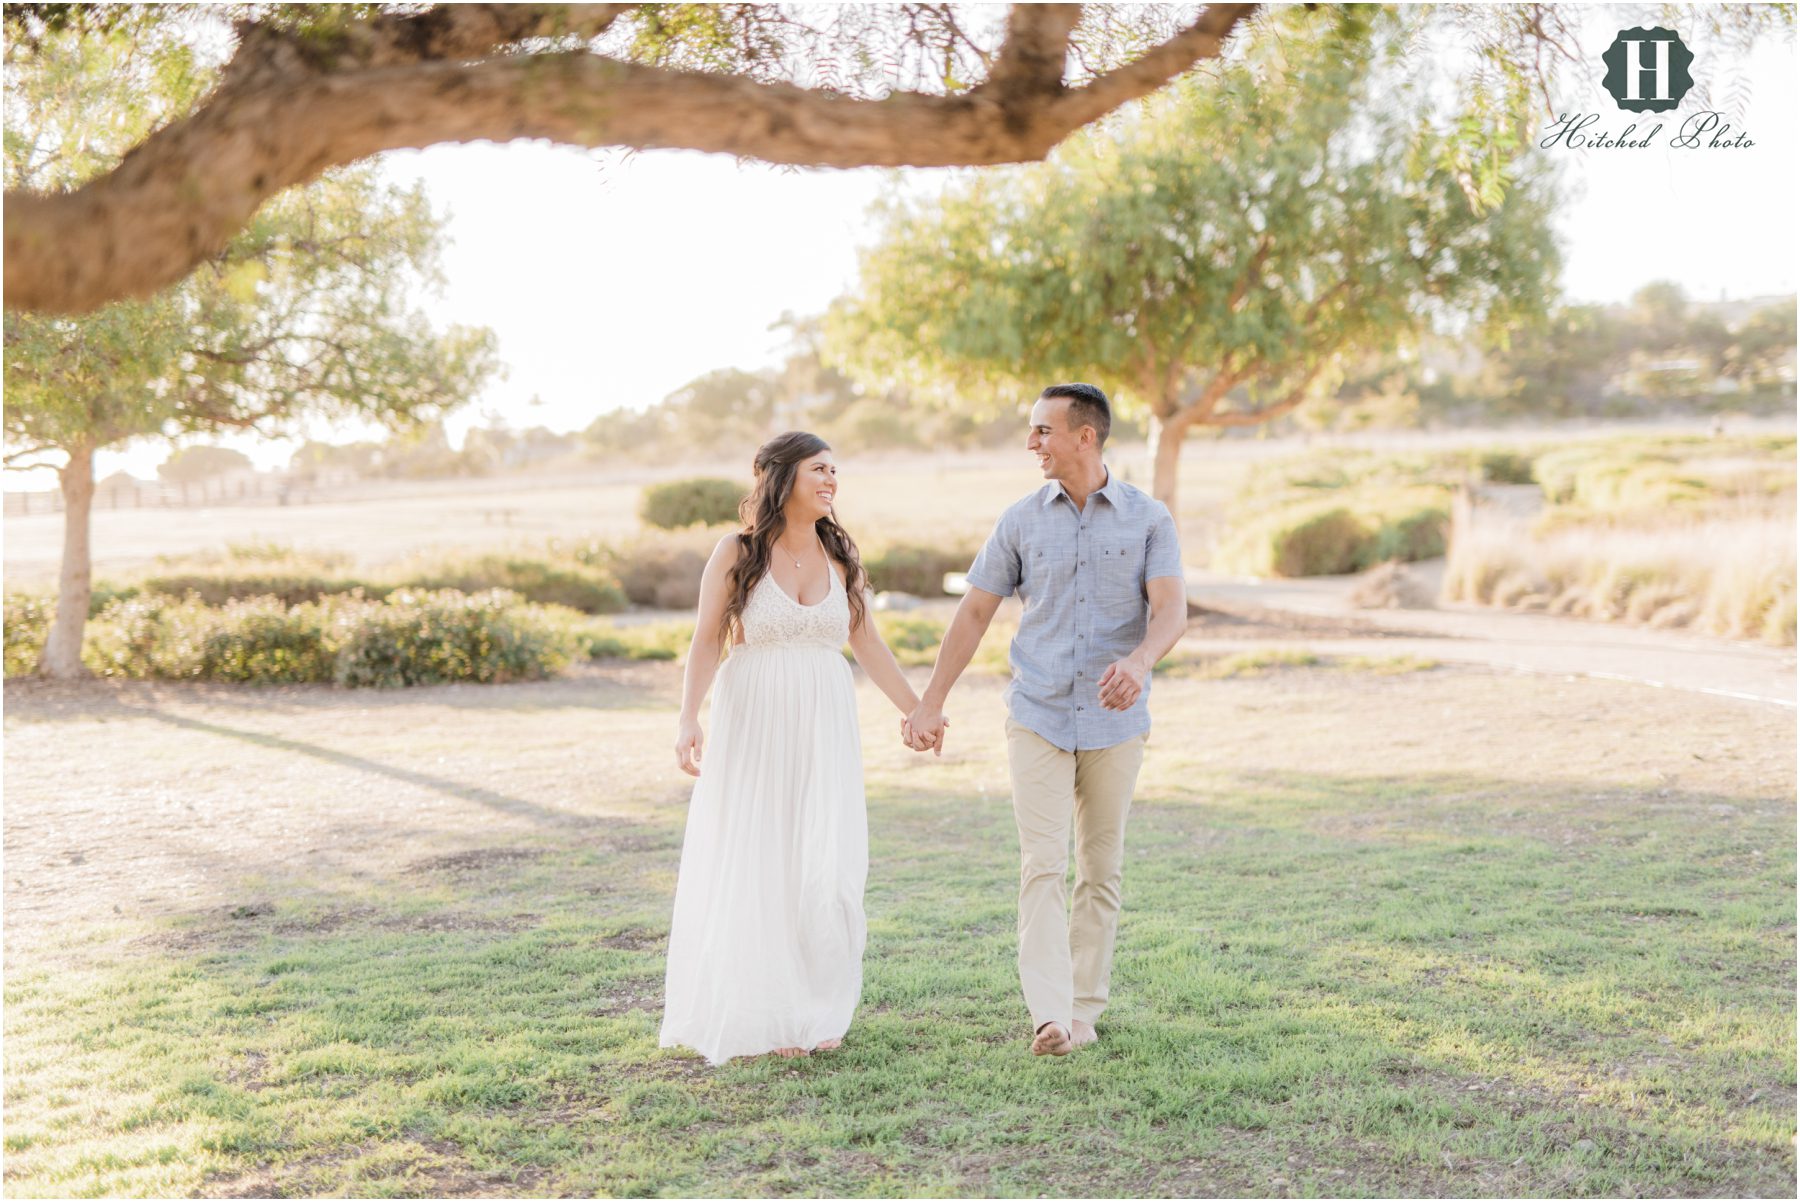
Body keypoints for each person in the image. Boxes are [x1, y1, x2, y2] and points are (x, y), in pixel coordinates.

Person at [903, 383, 1188, 1057]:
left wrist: (1140, 662)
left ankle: (1085, 1008)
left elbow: (1171, 610)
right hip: (1037, 713)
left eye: (1042, 431)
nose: (1032, 443)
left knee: (1100, 866)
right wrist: (931, 700)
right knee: (1041, 863)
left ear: (1085, 436)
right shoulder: (1020, 520)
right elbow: (974, 613)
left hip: (1116, 723)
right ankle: (1050, 1014)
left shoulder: (1150, 518)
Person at [661, 431, 941, 1065]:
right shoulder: (736, 551)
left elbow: (867, 643)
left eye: (835, 471)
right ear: (780, 476)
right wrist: (687, 719)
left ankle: (819, 1004)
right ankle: (767, 1012)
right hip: (754, 716)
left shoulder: (840, 554)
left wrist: (917, 710)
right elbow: (707, 640)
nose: (832, 480)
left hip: (824, 720)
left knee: (825, 858)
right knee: (763, 857)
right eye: (820, 469)